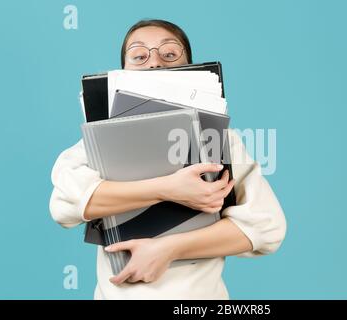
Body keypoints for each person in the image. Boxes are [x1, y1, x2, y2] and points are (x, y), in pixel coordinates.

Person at [49, 19, 286, 300]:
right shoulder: (95, 143)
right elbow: (63, 206)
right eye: (139, 56)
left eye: (169, 54)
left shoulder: (221, 139)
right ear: (123, 72)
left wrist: (169, 249)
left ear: (192, 69)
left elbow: (267, 227)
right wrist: (168, 189)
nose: (155, 63)